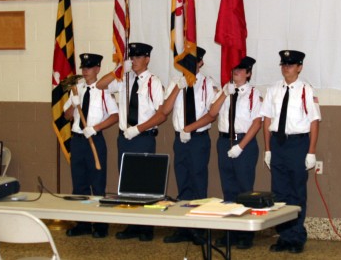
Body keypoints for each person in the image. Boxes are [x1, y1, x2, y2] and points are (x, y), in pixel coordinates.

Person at [96, 42, 165, 242]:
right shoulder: (124, 78)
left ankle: (146, 227)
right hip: (125, 138)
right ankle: (132, 224)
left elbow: (161, 115)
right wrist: (118, 69)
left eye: (137, 57)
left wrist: (139, 128)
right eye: (131, 57)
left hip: (143, 137)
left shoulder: (153, 82)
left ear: (147, 59)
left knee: (145, 184)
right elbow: (100, 85)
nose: (133, 61)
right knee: (126, 183)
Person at [158, 47, 218, 246]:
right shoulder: (176, 82)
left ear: (200, 63)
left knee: (198, 182)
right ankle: (184, 227)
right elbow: (165, 110)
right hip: (180, 141)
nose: (190, 66)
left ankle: (199, 228)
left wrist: (190, 129)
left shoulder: (208, 84)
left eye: (194, 62)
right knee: (183, 182)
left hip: (198, 139)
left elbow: (211, 114)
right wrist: (179, 87)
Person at [262, 50, 320, 254]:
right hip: (278, 144)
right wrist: (268, 149)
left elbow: (314, 122)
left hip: (297, 144)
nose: (286, 67)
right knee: (279, 193)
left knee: (296, 192)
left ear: (299, 67)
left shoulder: (306, 90)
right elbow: (267, 120)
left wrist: (311, 151)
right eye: (284, 64)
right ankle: (284, 236)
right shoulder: (273, 90)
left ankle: (297, 237)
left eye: (291, 64)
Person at [208, 56, 262, 249]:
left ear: (248, 73)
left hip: (243, 144)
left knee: (244, 189)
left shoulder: (253, 94)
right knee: (228, 190)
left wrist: (241, 146)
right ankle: (230, 231)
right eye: (234, 70)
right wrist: (224, 93)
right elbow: (213, 113)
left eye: (240, 70)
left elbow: (257, 123)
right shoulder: (225, 90)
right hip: (224, 142)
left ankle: (246, 233)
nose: (236, 73)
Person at [63, 53, 119, 239]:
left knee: (97, 183)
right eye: (83, 68)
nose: (85, 71)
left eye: (89, 68)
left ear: (97, 69)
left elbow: (114, 115)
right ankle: (83, 223)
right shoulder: (76, 88)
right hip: (78, 140)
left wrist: (95, 127)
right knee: (79, 184)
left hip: (95, 139)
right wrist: (73, 104)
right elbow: (67, 116)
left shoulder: (103, 90)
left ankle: (101, 224)